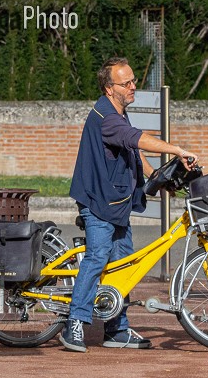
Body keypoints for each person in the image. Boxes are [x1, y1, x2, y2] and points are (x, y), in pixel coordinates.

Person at [61, 57, 198, 352]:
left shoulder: (118, 113)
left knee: (124, 263)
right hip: (99, 201)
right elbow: (137, 139)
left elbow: (132, 150)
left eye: (134, 80)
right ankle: (75, 323)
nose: (133, 86)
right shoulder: (106, 117)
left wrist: (156, 178)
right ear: (110, 88)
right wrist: (176, 149)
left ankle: (116, 329)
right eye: (127, 83)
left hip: (116, 202)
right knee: (98, 257)